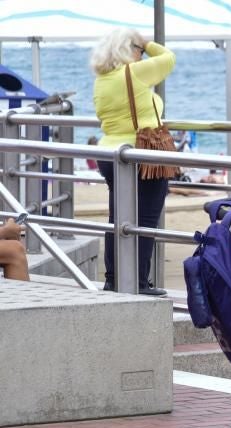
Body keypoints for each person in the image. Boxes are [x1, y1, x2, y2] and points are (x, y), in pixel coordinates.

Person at [90, 28, 176, 296]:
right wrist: (147, 41)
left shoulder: (103, 79)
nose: (141, 55)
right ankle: (138, 282)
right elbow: (168, 58)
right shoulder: (133, 73)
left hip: (110, 154)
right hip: (140, 154)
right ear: (129, 50)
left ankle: (114, 279)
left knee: (118, 218)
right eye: (138, 51)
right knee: (145, 219)